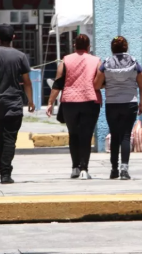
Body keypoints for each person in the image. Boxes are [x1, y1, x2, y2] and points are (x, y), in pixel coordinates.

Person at [0, 24, 35, 184]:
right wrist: (30, 101)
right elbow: (27, 82)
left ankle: (2, 170)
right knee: (10, 138)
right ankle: (5, 173)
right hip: (14, 103)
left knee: (0, 137)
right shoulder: (20, 56)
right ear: (13, 37)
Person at [46, 34, 102, 180]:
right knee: (86, 135)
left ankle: (75, 168)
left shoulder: (65, 60)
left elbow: (58, 83)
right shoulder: (96, 61)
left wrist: (50, 102)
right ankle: (84, 169)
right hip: (90, 101)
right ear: (89, 46)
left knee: (73, 134)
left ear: (74, 45)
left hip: (69, 102)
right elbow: (101, 81)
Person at [94, 36, 142, 180]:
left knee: (115, 135)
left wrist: (107, 84)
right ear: (126, 47)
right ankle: (124, 169)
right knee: (126, 136)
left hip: (112, 104)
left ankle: (114, 169)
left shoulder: (106, 64)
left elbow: (96, 85)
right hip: (130, 103)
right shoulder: (134, 63)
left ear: (112, 48)